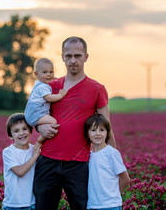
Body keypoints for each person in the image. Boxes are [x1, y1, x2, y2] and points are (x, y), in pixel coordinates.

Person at [33, 36, 117, 210]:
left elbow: (107, 126)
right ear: (62, 57)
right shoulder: (49, 86)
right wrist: (38, 125)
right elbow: (32, 111)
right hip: (48, 160)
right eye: (68, 55)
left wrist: (112, 161)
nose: (73, 60)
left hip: (79, 163)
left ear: (86, 57)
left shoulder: (96, 88)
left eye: (78, 56)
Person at [84, 113, 130, 210]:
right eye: (93, 130)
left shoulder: (111, 153)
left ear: (107, 133)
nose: (98, 133)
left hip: (110, 205)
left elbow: (125, 179)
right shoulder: (89, 156)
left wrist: (114, 195)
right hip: (92, 205)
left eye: (102, 130)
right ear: (87, 134)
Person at [2, 113, 41, 210]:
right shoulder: (8, 152)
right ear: (11, 136)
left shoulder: (34, 149)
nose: (21, 133)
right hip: (12, 204)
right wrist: (35, 156)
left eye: (24, 129)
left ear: (30, 131)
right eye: (16, 131)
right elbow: (20, 172)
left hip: (31, 203)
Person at [24, 58, 67, 144]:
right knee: (53, 122)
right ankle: (41, 139)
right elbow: (49, 98)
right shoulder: (42, 87)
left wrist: (54, 79)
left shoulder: (39, 83)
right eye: (45, 72)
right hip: (36, 114)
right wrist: (60, 95)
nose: (49, 75)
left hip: (33, 113)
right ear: (36, 74)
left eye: (51, 72)